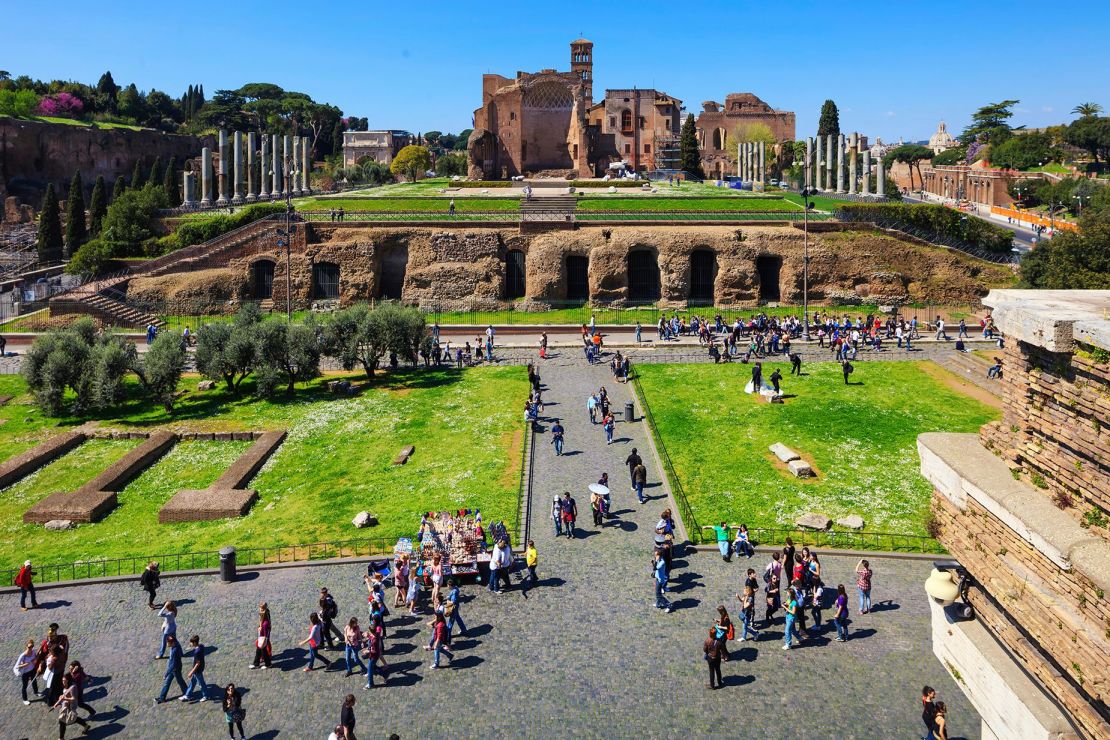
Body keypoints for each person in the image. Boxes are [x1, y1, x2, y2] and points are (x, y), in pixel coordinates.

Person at [53, 674, 91, 738]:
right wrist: (61, 698)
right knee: (72, 718)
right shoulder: (65, 686)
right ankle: (86, 725)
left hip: (70, 706)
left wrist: (64, 698)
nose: (63, 682)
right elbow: (65, 694)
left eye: (65, 681)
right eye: (62, 680)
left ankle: (61, 738)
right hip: (65, 705)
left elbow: (74, 698)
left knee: (62, 721)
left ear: (68, 680)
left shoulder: (72, 687)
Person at [155, 634, 187, 704]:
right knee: (169, 683)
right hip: (174, 669)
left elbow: (173, 664)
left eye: (168, 643)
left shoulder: (175, 650)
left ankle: (187, 694)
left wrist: (166, 674)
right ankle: (162, 698)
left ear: (172, 643)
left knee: (180, 681)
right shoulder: (174, 647)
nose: (167, 644)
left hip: (175, 669)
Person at [180, 635, 209, 702]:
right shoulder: (201, 646)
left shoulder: (197, 652)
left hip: (197, 670)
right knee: (193, 682)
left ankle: (206, 696)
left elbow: (197, 663)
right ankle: (187, 695)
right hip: (200, 667)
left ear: (194, 643)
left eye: (191, 643)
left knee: (201, 683)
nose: (190, 644)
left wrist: (191, 672)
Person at [14, 638, 38, 705]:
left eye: (32, 646)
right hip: (25, 673)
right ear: (26, 646)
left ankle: (36, 692)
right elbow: (17, 666)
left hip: (32, 670)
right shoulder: (22, 656)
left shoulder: (33, 651)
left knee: (34, 681)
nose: (31, 648)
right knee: (25, 686)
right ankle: (25, 699)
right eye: (29, 647)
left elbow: (35, 657)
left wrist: (35, 660)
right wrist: (25, 664)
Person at [251, 602, 272, 669]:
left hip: (263, 639)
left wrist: (263, 642)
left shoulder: (265, 624)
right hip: (261, 638)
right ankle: (257, 663)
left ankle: (267, 664)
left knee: (263, 652)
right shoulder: (263, 621)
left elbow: (266, 634)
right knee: (259, 651)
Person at [653, 549, 672, 613]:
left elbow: (655, 568)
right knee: (657, 593)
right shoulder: (659, 559)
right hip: (658, 578)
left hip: (660, 580)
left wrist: (655, 561)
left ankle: (668, 605)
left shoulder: (662, 562)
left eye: (656, 555)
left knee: (658, 594)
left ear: (659, 555)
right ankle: (658, 604)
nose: (655, 556)